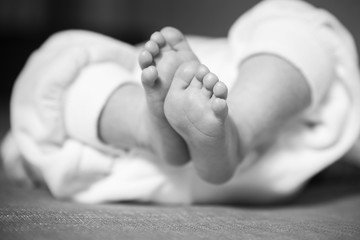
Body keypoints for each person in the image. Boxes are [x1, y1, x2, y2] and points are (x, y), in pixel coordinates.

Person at [1, 0, 360, 204]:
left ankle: (158, 127)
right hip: (234, 140)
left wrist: (21, 150)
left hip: (164, 153)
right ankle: (208, 133)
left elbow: (29, 138)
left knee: (51, 79)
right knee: (300, 31)